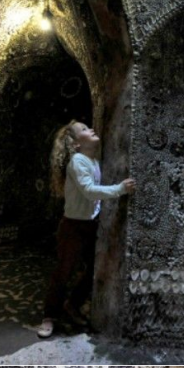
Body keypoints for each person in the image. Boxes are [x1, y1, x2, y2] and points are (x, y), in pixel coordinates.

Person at [37, 120, 135, 338]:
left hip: (89, 225)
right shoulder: (78, 161)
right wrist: (120, 189)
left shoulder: (93, 160)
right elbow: (90, 191)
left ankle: (72, 305)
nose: (90, 129)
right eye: (83, 129)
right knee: (64, 271)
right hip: (72, 226)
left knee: (92, 269)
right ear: (75, 144)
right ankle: (49, 317)